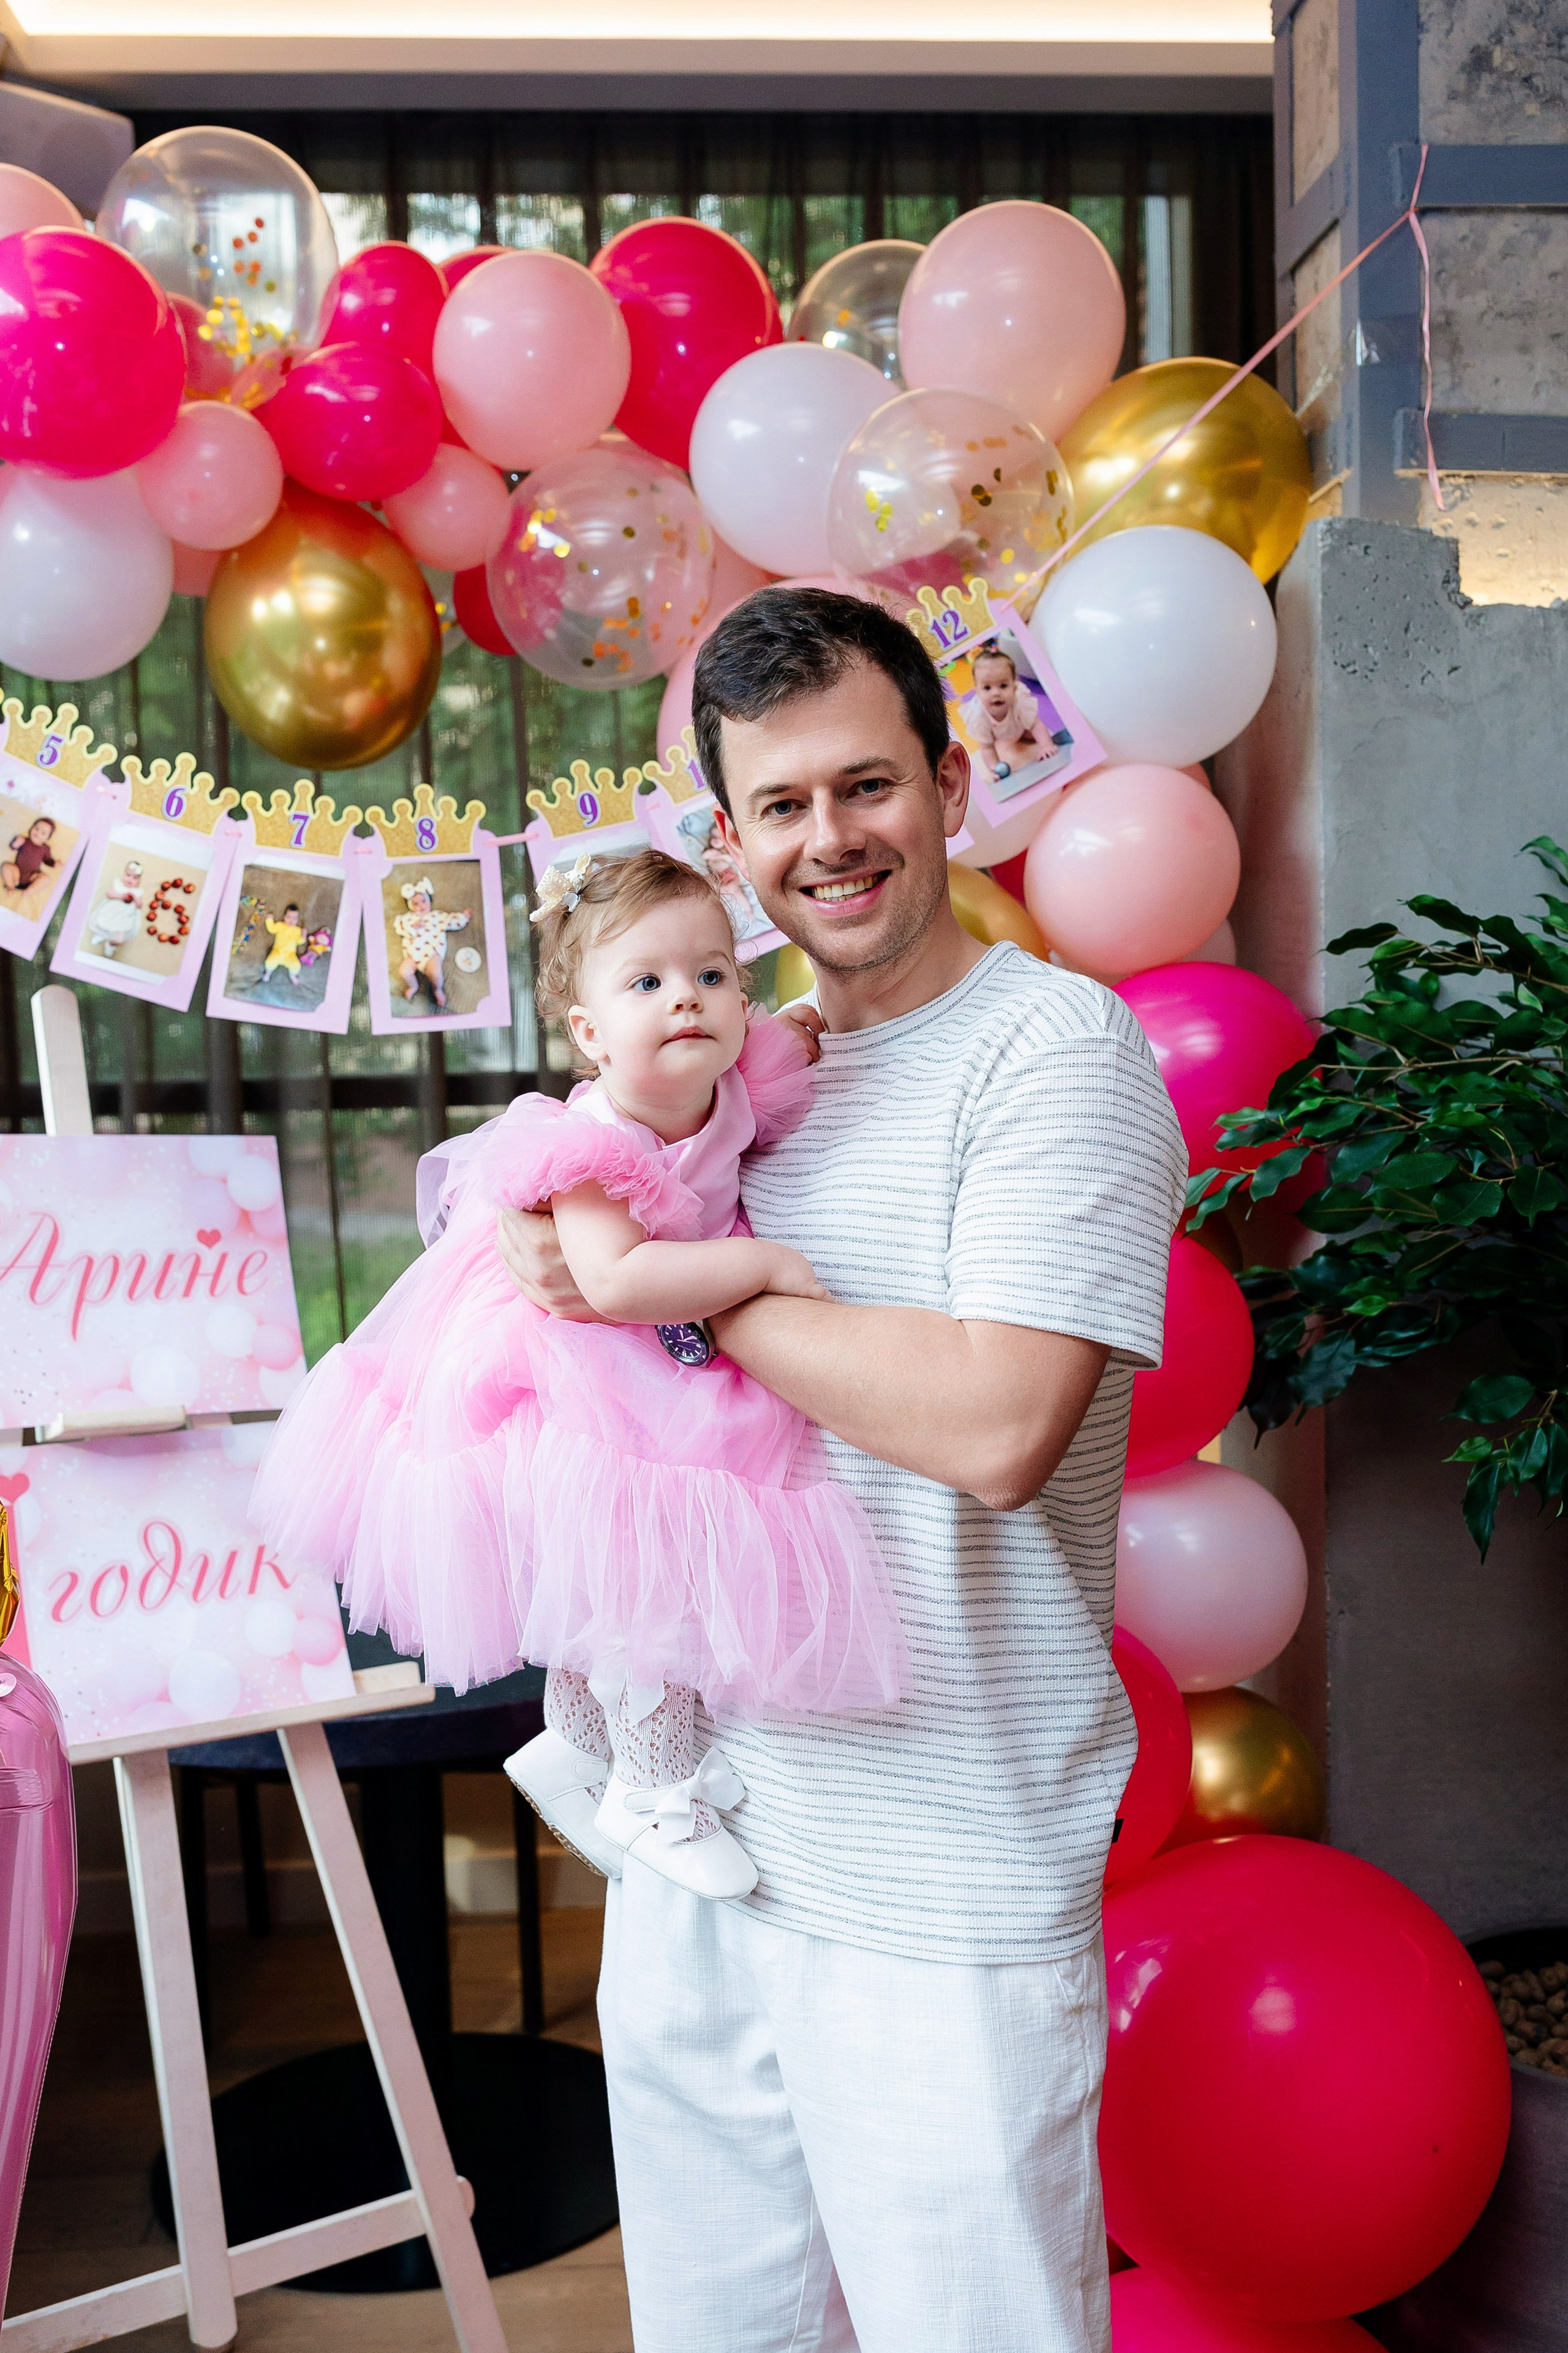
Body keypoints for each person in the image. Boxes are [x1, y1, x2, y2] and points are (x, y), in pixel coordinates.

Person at [497, 586, 1187, 2353]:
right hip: (709, 1847)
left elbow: (994, 1423)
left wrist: (675, 1302)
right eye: (783, 807)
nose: (833, 841)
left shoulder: (1059, 1053)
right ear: (727, 843)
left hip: (941, 1878)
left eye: (868, 786)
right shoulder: (739, 1072)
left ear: (953, 786)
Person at [249, 842, 905, 1905]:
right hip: (577, 1363)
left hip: (646, 1354)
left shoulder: (734, 1081)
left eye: (710, 976)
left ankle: (575, 1746)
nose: (684, 1001)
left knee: (612, 1576)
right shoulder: (590, 1141)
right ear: (591, 1034)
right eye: (645, 983)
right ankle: (656, 1794)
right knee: (642, 1578)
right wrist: (770, 1265)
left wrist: (816, 1020)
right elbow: (614, 1280)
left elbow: (787, 1037)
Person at [960, 639, 1054, 780]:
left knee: (1034, 735)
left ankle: (1034, 739)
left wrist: (1046, 746)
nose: (996, 693)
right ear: (977, 691)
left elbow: (1036, 724)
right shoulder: (979, 717)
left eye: (1003, 686)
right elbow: (987, 748)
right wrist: (995, 769)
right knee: (991, 746)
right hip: (997, 736)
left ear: (1014, 687)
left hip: (1020, 727)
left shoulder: (1019, 702)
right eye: (987, 688)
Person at [393, 877, 469, 1007]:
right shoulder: (409, 918)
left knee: (436, 974)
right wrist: (412, 926)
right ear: (411, 906)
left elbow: (451, 920)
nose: (421, 906)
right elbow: (399, 927)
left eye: (423, 901)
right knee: (404, 971)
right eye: (415, 904)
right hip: (413, 954)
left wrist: (464, 917)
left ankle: (437, 990)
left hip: (432, 952)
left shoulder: (437, 916)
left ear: (429, 901)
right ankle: (414, 986)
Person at [2, 814, 58, 898]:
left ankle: (29, 891)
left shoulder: (45, 848)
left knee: (46, 879)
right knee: (6, 867)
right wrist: (16, 843)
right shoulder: (25, 841)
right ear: (32, 828)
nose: (38, 832)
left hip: (32, 878)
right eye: (36, 828)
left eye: (43, 833)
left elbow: (47, 860)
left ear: (47, 838)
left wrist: (54, 864)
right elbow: (12, 847)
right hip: (16, 874)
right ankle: (11, 886)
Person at [263, 901, 306, 984]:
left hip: (290, 954)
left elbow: (299, 942)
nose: (291, 920)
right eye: (289, 917)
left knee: (296, 966)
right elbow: (271, 929)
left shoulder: (298, 930)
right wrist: (269, 919)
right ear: (284, 917)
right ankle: (268, 973)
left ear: (297, 919)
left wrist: (303, 936)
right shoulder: (280, 925)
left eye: (295, 918)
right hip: (277, 951)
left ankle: (292, 975)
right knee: (269, 962)